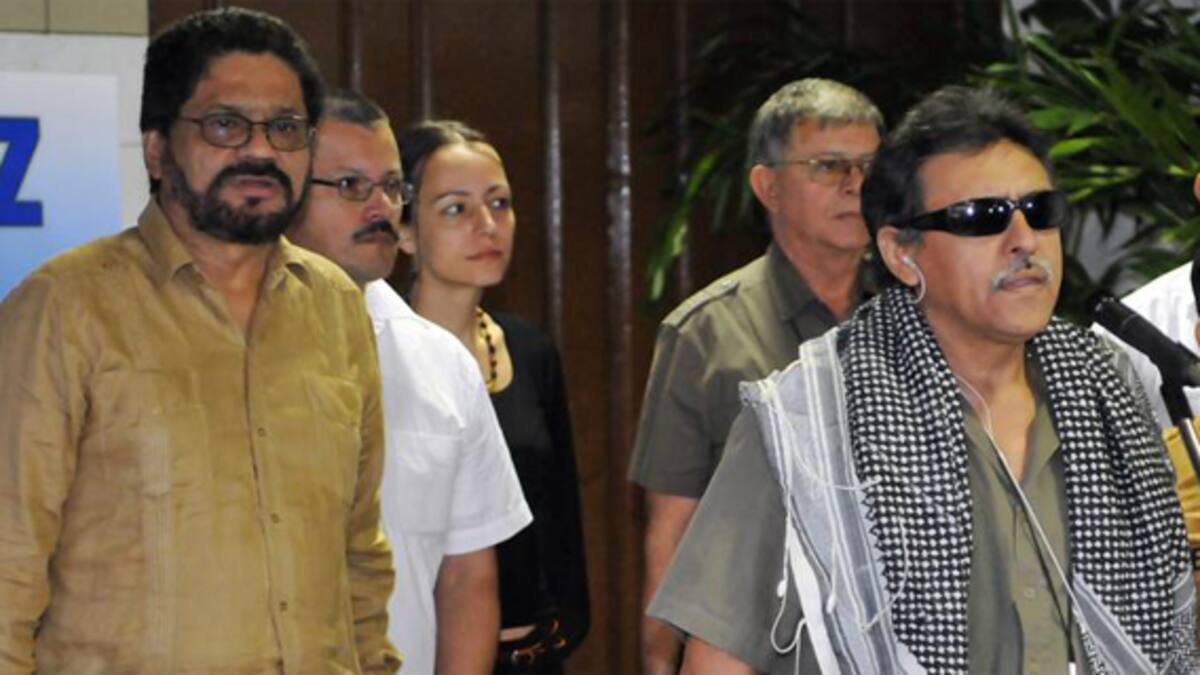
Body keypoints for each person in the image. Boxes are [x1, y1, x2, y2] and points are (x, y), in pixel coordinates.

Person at [650, 86, 1198, 674]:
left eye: (1039, 211)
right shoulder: (811, 425)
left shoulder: (1111, 395)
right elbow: (718, 659)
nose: (1024, 240)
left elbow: (1169, 627)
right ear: (900, 253)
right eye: (981, 217)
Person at [0, 8, 400, 673]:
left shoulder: (335, 306)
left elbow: (360, 554)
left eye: (285, 128)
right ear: (157, 148)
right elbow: (7, 564)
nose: (260, 151)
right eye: (225, 124)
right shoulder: (64, 308)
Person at [627, 78, 883, 673]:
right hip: (759, 651)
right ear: (768, 186)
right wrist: (660, 662)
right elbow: (671, 531)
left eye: (870, 167)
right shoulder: (706, 333)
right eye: (829, 166)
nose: (856, 185)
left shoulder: (918, 318)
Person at [288, 90, 532, 675]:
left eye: (392, 187)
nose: (380, 207)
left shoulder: (442, 365)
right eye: (351, 186)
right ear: (286, 192)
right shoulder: (224, 354)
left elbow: (468, 577)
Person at [396, 120, 589, 674]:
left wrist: (560, 637)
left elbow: (562, 527)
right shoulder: (379, 354)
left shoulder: (528, 348)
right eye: (456, 208)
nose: (487, 225)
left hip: (534, 655)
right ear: (404, 231)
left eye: (499, 203)